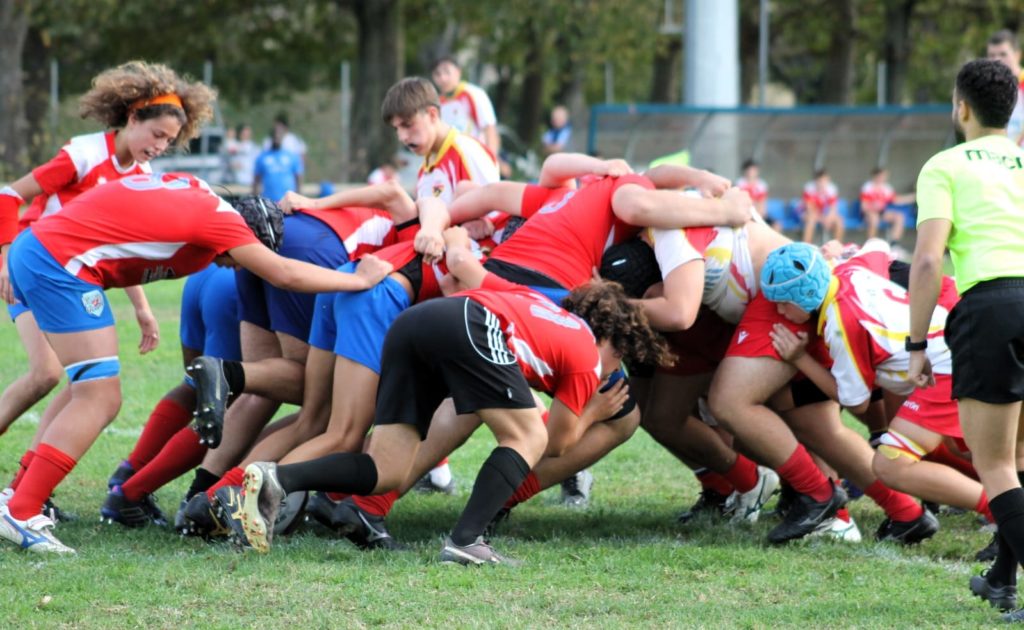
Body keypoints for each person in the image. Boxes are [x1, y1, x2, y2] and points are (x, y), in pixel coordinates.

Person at [0, 174, 391, 554]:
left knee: (81, 387)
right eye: (241, 260)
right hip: (60, 263)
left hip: (42, 250)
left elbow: (117, 223)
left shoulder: (199, 193)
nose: (235, 267)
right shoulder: (224, 224)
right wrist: (357, 281)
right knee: (99, 397)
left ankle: (19, 494)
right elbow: (284, 273)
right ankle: (23, 509)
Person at [238, 280, 671, 565]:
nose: (614, 370)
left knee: (388, 468)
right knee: (528, 434)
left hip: (417, 323)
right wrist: (593, 410)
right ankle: (466, 541)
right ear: (608, 338)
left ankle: (280, 477)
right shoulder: (585, 354)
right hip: (469, 324)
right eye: (620, 354)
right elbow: (556, 443)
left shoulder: (544, 310)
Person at [0, 61, 215, 509]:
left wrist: (141, 307)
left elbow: (118, 250)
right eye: (156, 135)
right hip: (33, 269)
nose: (160, 147)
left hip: (68, 281)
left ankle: (26, 490)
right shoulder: (82, 155)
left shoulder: (140, 179)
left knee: (84, 384)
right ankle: (24, 495)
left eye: (170, 142)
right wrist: (4, 256)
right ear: (133, 117)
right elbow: (9, 195)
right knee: (47, 374)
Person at [907, 58, 1024, 621]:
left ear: (961, 108)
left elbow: (929, 259)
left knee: (995, 464)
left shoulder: (944, 166)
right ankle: (1002, 579)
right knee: (1020, 459)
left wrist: (914, 345)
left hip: (993, 305)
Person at [431, 56, 500, 156]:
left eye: (447, 72)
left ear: (458, 72)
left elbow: (489, 129)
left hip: (474, 158)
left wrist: (492, 160)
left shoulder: (474, 94)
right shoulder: (437, 104)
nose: (442, 78)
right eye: (437, 74)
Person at [859, 167, 914, 248]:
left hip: (882, 213)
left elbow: (896, 200)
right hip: (869, 213)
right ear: (876, 176)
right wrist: (874, 206)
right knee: (874, 218)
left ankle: (894, 244)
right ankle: (870, 245)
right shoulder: (868, 187)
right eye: (882, 175)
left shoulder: (886, 187)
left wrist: (913, 197)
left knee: (899, 217)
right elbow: (864, 207)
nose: (884, 178)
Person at [987, 30, 1024, 146]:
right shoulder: (987, 89)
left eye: (1003, 54)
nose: (997, 60)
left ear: (1017, 55)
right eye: (992, 55)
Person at [253, 124, 303, 203]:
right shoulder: (262, 157)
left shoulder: (292, 157)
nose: (277, 136)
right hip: (269, 202)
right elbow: (256, 181)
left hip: (288, 202)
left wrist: (299, 198)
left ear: (283, 136)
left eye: (279, 134)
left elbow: (298, 179)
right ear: (271, 136)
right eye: (275, 134)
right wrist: (256, 200)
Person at [800, 168, 844, 245]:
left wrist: (828, 218)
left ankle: (837, 246)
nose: (823, 184)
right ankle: (806, 246)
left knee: (839, 221)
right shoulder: (809, 188)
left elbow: (833, 209)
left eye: (825, 181)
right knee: (811, 220)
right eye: (821, 181)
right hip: (804, 213)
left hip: (821, 214)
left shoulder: (831, 188)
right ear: (816, 181)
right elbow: (810, 209)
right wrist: (822, 219)